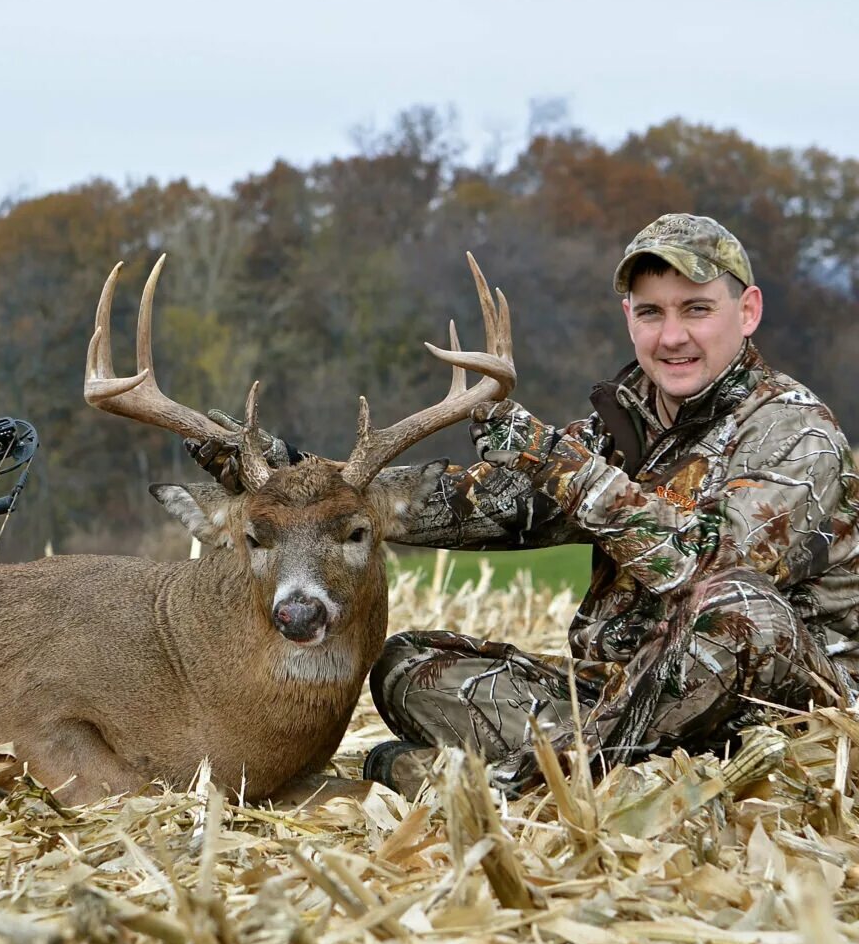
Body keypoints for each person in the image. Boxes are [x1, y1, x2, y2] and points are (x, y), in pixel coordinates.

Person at [192, 214, 859, 796]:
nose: (673, 336)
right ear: (629, 318)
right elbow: (476, 505)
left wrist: (558, 461)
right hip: (624, 697)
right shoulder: (625, 428)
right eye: (652, 312)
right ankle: (629, 771)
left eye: (697, 309)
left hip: (774, 711)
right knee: (407, 667)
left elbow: (708, 567)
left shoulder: (796, 432)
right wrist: (295, 480)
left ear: (748, 311)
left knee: (738, 609)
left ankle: (527, 786)